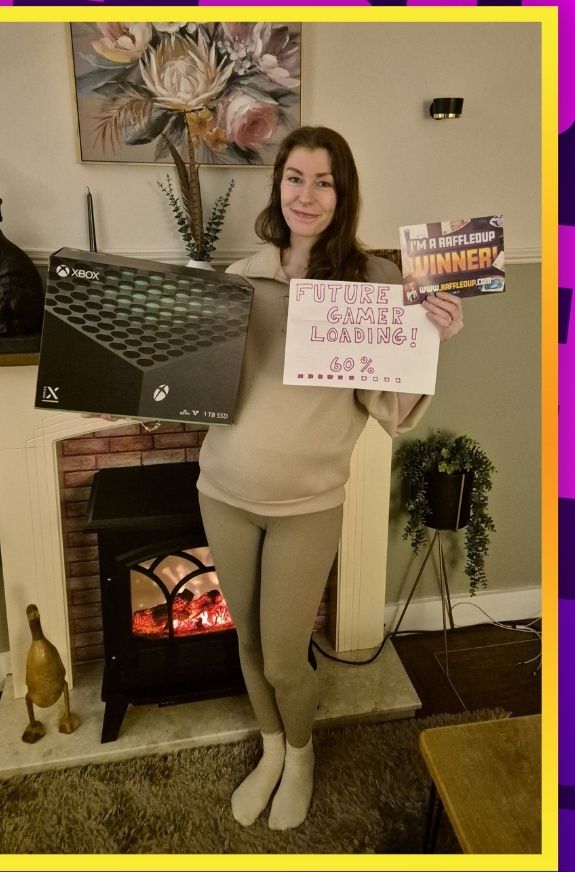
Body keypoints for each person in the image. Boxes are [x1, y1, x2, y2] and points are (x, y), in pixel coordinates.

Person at [195, 126, 464, 831]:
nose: (306, 195)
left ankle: (302, 753)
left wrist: (429, 340)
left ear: (342, 195)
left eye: (324, 182)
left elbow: (391, 408)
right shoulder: (241, 276)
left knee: (285, 657)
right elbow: (198, 387)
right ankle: (271, 748)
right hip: (222, 489)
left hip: (307, 503)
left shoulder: (374, 283)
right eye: (294, 178)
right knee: (248, 643)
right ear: (277, 184)